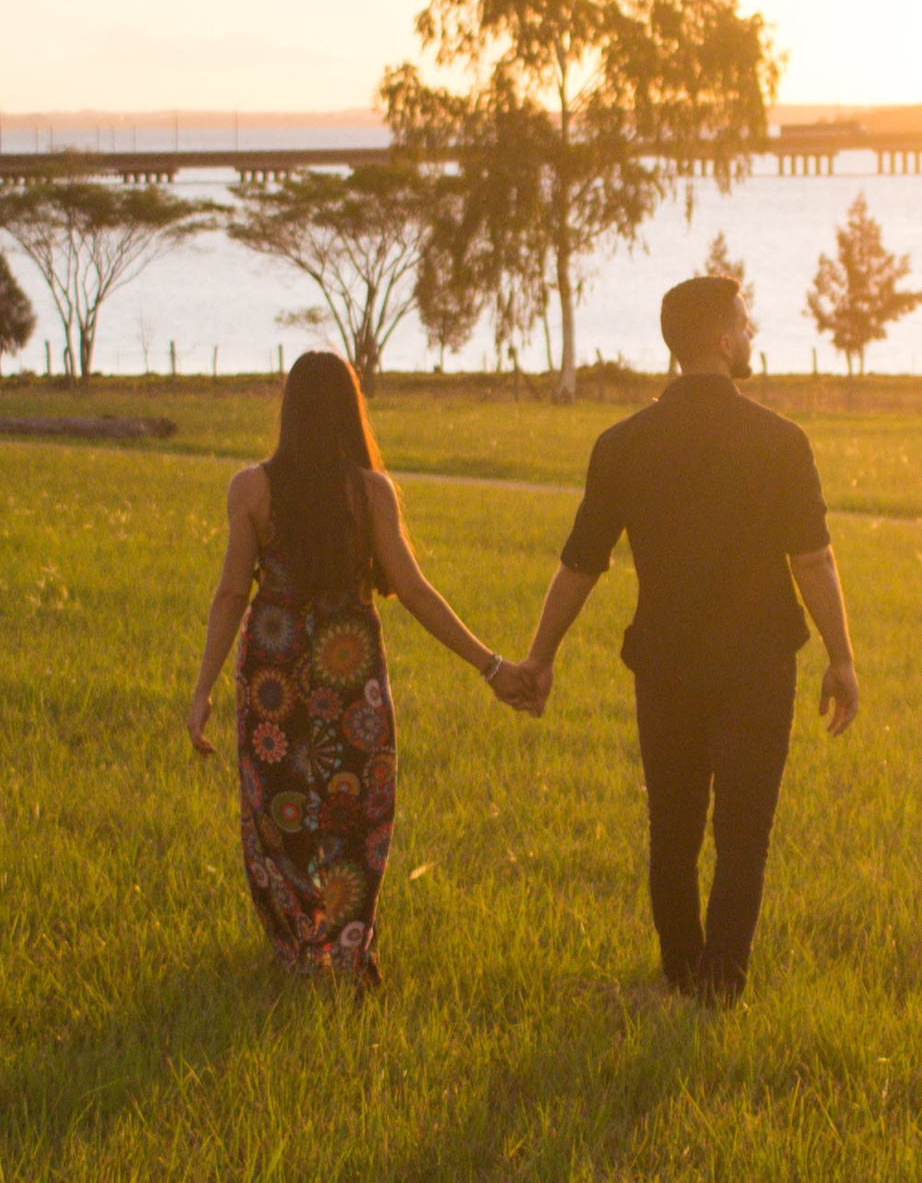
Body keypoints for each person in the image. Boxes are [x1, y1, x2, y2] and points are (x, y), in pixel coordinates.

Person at [502, 276, 860, 1003]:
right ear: (724, 340)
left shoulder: (623, 443)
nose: (753, 330)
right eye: (746, 320)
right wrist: (841, 655)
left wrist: (541, 654)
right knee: (742, 832)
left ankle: (678, 971)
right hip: (758, 663)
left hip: (663, 663)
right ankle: (720, 987)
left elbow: (580, 562)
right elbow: (813, 558)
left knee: (672, 825)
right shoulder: (780, 441)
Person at [185, 351, 530, 982]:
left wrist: (203, 689)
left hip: (273, 675)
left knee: (276, 810)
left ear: (288, 411)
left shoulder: (252, 488)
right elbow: (415, 590)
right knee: (357, 806)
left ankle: (297, 947)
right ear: (351, 408)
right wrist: (491, 666)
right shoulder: (369, 493)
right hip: (351, 672)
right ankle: (346, 945)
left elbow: (233, 593)